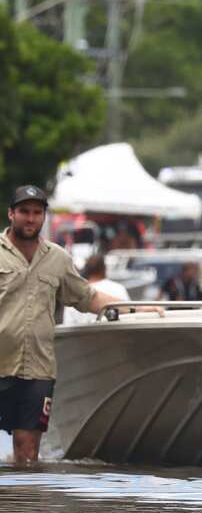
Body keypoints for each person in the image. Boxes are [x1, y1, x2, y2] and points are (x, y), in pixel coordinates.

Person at [1, 186, 156, 464]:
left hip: (37, 369)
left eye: (37, 212)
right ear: (11, 214)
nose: (30, 218)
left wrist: (136, 308)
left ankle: (19, 507)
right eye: (24, 211)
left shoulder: (57, 258)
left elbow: (88, 297)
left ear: (44, 217)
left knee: (27, 453)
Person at [61, 254, 130, 326]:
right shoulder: (119, 289)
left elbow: (67, 325)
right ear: (104, 269)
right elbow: (130, 317)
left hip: (83, 336)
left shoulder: (75, 293)